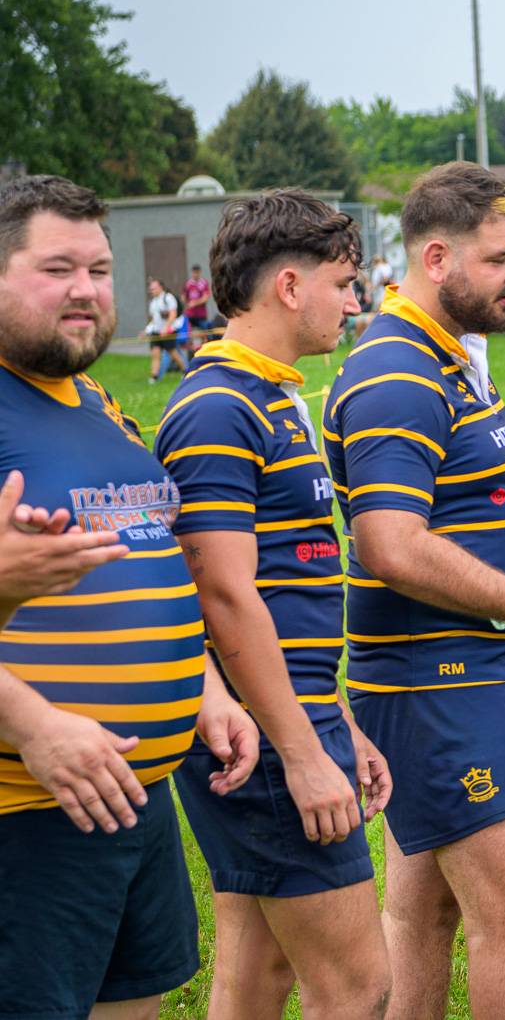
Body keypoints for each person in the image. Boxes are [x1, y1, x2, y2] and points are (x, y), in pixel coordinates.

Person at [324, 162, 505, 1020]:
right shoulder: (398, 370)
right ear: (436, 258)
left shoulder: (450, 356)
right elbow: (390, 545)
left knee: (428, 909)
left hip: (468, 673)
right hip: (442, 680)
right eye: (502, 258)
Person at [0, 174, 259, 1020]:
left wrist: (206, 695)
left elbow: (150, 555)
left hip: (135, 801)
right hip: (32, 808)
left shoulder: (98, 400)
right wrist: (34, 727)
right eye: (56, 268)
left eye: (99, 270)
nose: (85, 290)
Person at [154, 189, 394, 1018]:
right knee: (359, 988)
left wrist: (337, 721)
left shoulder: (272, 392)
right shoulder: (218, 406)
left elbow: (287, 585)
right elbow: (222, 593)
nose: (355, 301)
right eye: (344, 282)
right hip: (258, 732)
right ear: (289, 287)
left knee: (257, 976)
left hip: (291, 710)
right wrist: (301, 749)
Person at [144, 277, 189, 383]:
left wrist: (166, 328)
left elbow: (173, 314)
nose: (152, 291)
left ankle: (185, 371)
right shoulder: (153, 301)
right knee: (155, 353)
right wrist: (147, 330)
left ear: (161, 288)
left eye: (154, 288)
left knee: (173, 353)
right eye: (151, 289)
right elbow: (154, 319)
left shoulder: (168, 298)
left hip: (168, 331)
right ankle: (154, 376)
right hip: (156, 331)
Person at [182, 263, 212, 350]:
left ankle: (206, 349)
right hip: (190, 314)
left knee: (204, 334)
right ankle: (191, 351)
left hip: (200, 314)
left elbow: (206, 297)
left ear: (199, 273)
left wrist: (194, 303)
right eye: (193, 272)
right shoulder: (188, 283)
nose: (195, 274)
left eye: (197, 272)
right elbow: (184, 295)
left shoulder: (203, 283)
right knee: (189, 334)